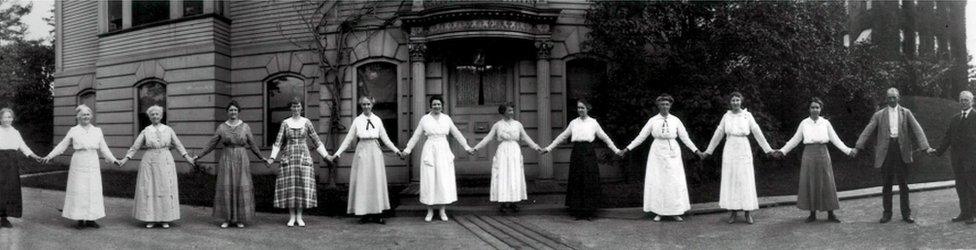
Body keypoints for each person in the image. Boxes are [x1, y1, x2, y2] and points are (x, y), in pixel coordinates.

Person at [852, 88, 932, 224]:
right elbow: (868, 130)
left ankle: (906, 214)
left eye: (894, 97)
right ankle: (887, 214)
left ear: (898, 98)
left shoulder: (906, 113)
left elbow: (917, 129)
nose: (892, 100)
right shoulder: (879, 115)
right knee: (886, 184)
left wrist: (925, 147)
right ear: (886, 98)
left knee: (904, 185)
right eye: (889, 97)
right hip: (886, 152)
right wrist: (858, 146)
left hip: (902, 151)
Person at [619, 94, 702, 222]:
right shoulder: (653, 120)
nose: (664, 106)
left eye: (667, 104)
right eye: (662, 104)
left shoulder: (676, 120)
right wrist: (627, 148)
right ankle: (659, 211)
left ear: (670, 105)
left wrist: (696, 151)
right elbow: (641, 137)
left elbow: (685, 138)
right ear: (658, 106)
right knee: (659, 181)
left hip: (673, 151)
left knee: (674, 181)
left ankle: (675, 211)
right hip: (657, 152)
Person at [41, 104, 121, 229]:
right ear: (78, 117)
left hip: (92, 161)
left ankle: (91, 218)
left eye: (88, 114)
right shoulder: (74, 130)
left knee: (93, 190)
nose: (86, 117)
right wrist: (49, 156)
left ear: (92, 116)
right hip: (79, 161)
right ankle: (79, 218)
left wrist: (114, 160)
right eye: (83, 115)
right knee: (79, 190)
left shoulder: (97, 131)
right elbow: (62, 145)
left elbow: (104, 148)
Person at [774, 97, 853, 223]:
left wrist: (848, 150)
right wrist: (783, 150)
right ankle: (812, 214)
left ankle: (831, 213)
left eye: (817, 107)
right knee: (810, 181)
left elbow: (835, 139)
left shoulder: (826, 123)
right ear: (809, 109)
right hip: (809, 154)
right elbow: (795, 139)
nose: (815, 109)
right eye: (812, 107)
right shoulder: (804, 123)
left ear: (821, 109)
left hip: (823, 153)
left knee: (827, 182)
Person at [195, 100, 270, 228]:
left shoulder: (245, 127)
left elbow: (252, 144)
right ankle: (227, 219)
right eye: (231, 110)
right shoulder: (222, 127)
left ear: (238, 111)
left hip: (241, 158)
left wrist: (262, 157)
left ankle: (239, 218)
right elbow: (211, 143)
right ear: (227, 112)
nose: (233, 112)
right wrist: (199, 155)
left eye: (235, 110)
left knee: (240, 185)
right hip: (227, 158)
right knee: (227, 186)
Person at [701, 92, 773, 224]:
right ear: (730, 102)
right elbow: (719, 133)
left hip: (743, 148)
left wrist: (768, 149)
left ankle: (747, 213)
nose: (735, 102)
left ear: (741, 101)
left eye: (737, 100)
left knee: (745, 179)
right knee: (732, 179)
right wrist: (708, 151)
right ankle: (733, 212)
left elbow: (757, 131)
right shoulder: (726, 116)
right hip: (730, 149)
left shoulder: (747, 115)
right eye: (733, 100)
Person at [543, 99, 621, 220]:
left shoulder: (593, 123)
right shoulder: (573, 123)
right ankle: (578, 212)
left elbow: (605, 137)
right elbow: (562, 136)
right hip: (577, 152)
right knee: (577, 180)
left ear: (588, 109)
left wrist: (616, 150)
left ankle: (589, 212)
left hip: (589, 152)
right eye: (578, 108)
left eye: (582, 108)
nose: (580, 110)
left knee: (589, 180)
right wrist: (548, 148)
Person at [330, 96, 401, 224]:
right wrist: (337, 154)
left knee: (375, 181)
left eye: (368, 104)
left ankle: (377, 214)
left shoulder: (377, 120)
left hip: (375, 150)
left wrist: (397, 151)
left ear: (372, 105)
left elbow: (385, 139)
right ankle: (364, 213)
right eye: (363, 104)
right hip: (362, 150)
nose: (366, 106)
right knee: (363, 182)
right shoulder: (357, 120)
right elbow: (348, 139)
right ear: (361, 106)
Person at [119, 105, 192, 229]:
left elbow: (178, 144)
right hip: (150, 161)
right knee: (150, 188)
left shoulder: (168, 130)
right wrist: (125, 159)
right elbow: (135, 147)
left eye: (157, 114)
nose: (155, 116)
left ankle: (165, 218)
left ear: (161, 116)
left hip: (165, 160)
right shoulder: (146, 130)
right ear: (149, 117)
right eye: (152, 114)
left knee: (165, 188)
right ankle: (150, 218)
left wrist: (187, 157)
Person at [401, 95, 472, 222]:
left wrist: (466, 147)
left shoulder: (446, 119)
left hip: (443, 150)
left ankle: (442, 210)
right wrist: (407, 149)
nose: (436, 106)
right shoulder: (425, 119)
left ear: (442, 105)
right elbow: (416, 136)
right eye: (434, 104)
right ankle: (429, 210)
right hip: (430, 150)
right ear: (430, 106)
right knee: (430, 179)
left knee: (442, 180)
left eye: (439, 104)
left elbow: (457, 133)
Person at [469, 103, 543, 213]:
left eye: (512, 110)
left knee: (514, 174)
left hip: (514, 151)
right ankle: (503, 202)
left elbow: (526, 137)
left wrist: (537, 148)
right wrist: (475, 148)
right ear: (503, 112)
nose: (512, 112)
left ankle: (514, 202)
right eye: (509, 110)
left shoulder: (518, 124)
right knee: (503, 174)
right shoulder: (497, 125)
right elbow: (487, 138)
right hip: (503, 151)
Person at [267, 98, 330, 227]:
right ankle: (291, 217)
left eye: (298, 107)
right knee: (290, 186)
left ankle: (300, 217)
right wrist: (272, 158)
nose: (296, 109)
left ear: (301, 108)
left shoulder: (306, 122)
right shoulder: (285, 123)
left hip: (303, 156)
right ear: (291, 108)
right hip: (288, 156)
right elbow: (278, 142)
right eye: (293, 107)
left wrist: (326, 155)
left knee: (302, 185)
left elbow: (316, 140)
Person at [930, 91, 976, 224]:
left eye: (966, 100)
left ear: (972, 101)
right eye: (961, 100)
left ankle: (973, 214)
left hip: (972, 159)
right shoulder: (955, 119)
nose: (963, 102)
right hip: (957, 159)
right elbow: (947, 138)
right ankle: (964, 212)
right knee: (960, 186)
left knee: (972, 186)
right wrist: (937, 151)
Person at [0, 108, 42, 228]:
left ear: (12, 119)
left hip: (11, 164)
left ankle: (4, 218)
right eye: (4, 117)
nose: (7, 119)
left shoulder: (15, 132)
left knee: (9, 190)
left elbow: (23, 146)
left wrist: (34, 156)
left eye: (9, 117)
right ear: (0, 119)